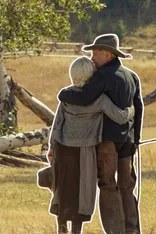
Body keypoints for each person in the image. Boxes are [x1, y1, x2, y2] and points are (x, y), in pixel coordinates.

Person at [58, 34, 144, 234]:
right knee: (127, 185)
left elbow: (85, 98)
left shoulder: (102, 75)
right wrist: (137, 139)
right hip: (128, 140)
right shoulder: (132, 76)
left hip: (108, 141)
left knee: (107, 184)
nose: (91, 57)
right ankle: (131, 229)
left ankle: (115, 231)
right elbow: (139, 108)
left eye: (95, 52)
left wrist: (62, 93)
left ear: (107, 54)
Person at [42, 56, 135, 234]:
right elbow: (121, 117)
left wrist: (52, 147)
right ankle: (76, 230)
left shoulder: (66, 95)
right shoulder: (99, 99)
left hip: (63, 147)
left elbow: (57, 123)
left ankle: (61, 226)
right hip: (86, 150)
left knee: (63, 187)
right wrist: (132, 109)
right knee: (83, 190)